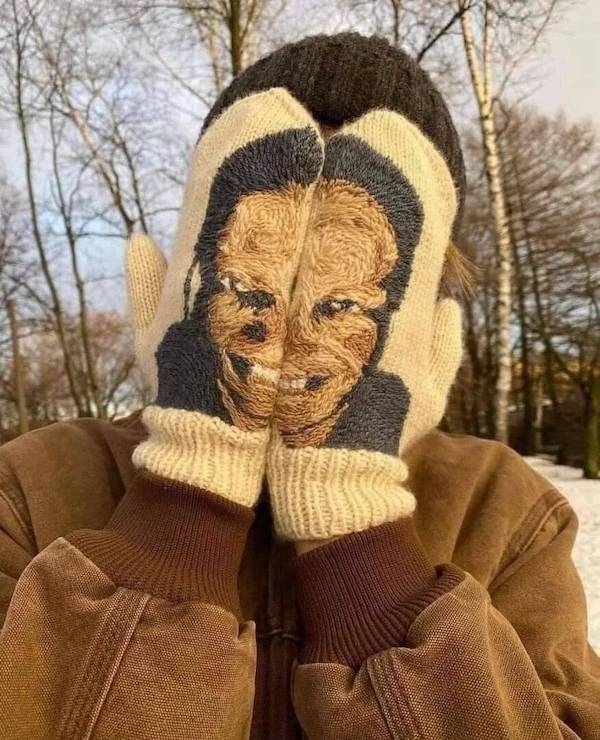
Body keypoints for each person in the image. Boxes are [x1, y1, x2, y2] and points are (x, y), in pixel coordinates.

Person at [0, 32, 599, 740]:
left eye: (338, 299)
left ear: (415, 307)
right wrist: (191, 484)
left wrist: (355, 520)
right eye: (250, 283)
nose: (285, 321)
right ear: (191, 277)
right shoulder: (31, 486)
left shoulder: (501, 510)